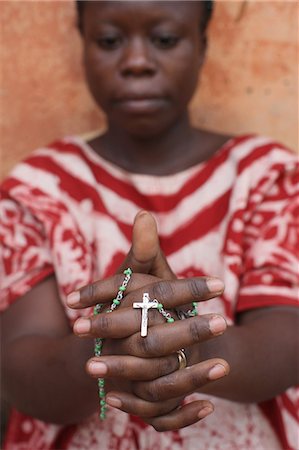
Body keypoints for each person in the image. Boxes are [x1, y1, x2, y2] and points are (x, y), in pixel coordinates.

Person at [1, 1, 298, 449]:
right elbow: (23, 371)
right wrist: (111, 349)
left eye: (164, 39)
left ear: (203, 46)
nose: (137, 62)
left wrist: (189, 345)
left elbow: (287, 342)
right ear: (82, 46)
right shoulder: (37, 190)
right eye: (109, 41)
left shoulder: (267, 176)